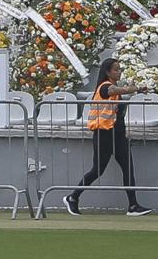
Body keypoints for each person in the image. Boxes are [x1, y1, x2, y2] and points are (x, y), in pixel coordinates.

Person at [64, 57, 152, 216]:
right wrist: (135, 88)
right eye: (116, 69)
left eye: (120, 69)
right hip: (104, 134)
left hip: (117, 135)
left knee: (128, 168)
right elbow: (114, 91)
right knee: (97, 170)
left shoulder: (114, 88)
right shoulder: (104, 87)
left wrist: (134, 90)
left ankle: (133, 205)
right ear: (107, 72)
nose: (119, 72)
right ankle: (73, 197)